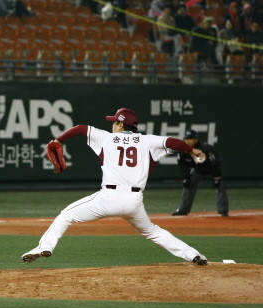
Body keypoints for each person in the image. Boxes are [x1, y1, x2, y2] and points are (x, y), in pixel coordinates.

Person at [21, 108, 209, 266]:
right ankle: (193, 254)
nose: (112, 125)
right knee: (152, 232)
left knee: (66, 215)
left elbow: (80, 129)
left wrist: (58, 139)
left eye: (114, 122)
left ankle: (44, 247)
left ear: (120, 125)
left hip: (108, 198)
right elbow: (172, 142)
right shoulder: (147, 141)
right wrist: (192, 150)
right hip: (134, 202)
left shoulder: (106, 138)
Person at [172, 129, 229, 217]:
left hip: (213, 169)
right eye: (186, 138)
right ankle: (183, 210)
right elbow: (182, 165)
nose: (188, 141)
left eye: (190, 138)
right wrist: (186, 178)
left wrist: (217, 178)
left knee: (219, 187)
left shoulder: (206, 148)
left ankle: (223, 211)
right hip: (198, 170)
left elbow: (217, 162)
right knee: (189, 185)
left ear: (196, 139)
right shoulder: (183, 150)